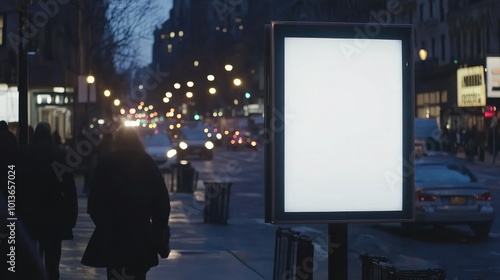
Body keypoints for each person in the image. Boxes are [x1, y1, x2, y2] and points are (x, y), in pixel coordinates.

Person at [81, 127, 171, 280]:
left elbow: (94, 202)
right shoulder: (146, 163)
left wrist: (105, 225)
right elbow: (161, 202)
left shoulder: (106, 163)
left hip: (114, 237)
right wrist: (157, 230)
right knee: (137, 273)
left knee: (116, 273)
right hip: (140, 234)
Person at [17, 122, 78, 280]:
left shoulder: (24, 154)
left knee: (30, 259)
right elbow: (69, 189)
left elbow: (15, 184)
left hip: (29, 213)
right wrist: (71, 216)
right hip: (53, 214)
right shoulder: (59, 155)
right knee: (52, 262)